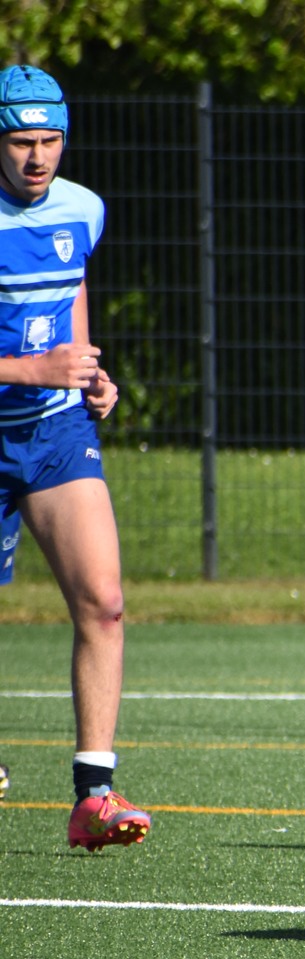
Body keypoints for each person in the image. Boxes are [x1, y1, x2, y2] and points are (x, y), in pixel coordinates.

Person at [0, 66, 141, 852]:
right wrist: (32, 369)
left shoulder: (83, 209)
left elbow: (72, 293)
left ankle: (94, 796)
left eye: (50, 140)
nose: (37, 157)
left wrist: (86, 372)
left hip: (54, 432)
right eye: (21, 141)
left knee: (104, 601)